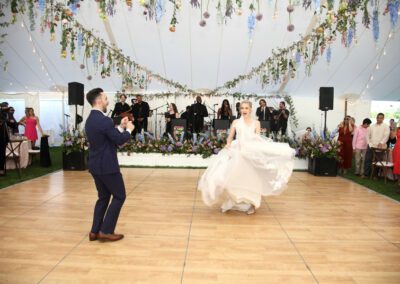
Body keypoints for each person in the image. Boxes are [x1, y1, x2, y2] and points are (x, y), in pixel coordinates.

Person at [198, 101, 295, 215]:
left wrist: (257, 151)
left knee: (252, 178)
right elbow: (230, 137)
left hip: (250, 152)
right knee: (234, 177)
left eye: (246, 108)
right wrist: (228, 144)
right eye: (242, 108)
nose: (244, 110)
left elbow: (257, 139)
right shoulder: (235, 122)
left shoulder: (256, 123)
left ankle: (253, 204)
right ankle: (234, 201)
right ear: (240, 110)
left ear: (250, 110)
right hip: (238, 152)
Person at [85, 88, 135, 242]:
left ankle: (94, 231)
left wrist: (120, 126)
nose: (107, 102)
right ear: (99, 100)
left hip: (95, 165)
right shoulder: (104, 120)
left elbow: (109, 137)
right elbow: (119, 140)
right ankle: (106, 231)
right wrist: (129, 131)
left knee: (103, 197)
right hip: (107, 165)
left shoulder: (90, 119)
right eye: (106, 98)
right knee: (119, 196)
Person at [363, 113, 390, 178]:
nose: (379, 119)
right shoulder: (371, 126)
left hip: (380, 147)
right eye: (378, 118)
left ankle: (375, 175)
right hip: (371, 146)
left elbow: (386, 136)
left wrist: (381, 142)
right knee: (367, 160)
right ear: (376, 118)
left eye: (380, 118)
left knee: (378, 161)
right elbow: (367, 135)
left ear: (383, 119)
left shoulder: (386, 126)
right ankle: (366, 174)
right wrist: (369, 143)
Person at [392, 122, 400, 189]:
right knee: (397, 166)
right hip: (397, 149)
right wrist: (394, 128)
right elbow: (392, 137)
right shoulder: (398, 129)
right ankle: (398, 183)